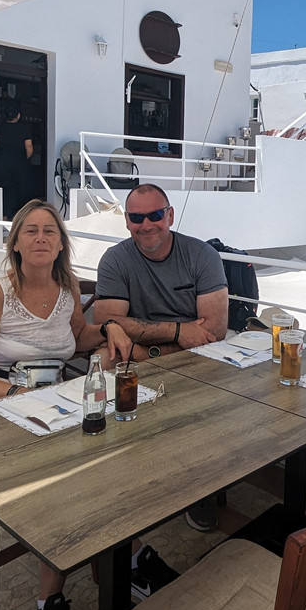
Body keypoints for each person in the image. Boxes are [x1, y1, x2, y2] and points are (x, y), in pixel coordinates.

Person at [0, 200, 173, 610]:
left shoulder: (67, 285)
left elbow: (76, 338)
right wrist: (19, 393)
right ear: (14, 242)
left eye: (49, 231)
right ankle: (49, 601)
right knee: (73, 483)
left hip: (48, 407)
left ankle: (127, 556)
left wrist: (109, 328)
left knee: (116, 458)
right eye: (30, 230)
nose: (40, 238)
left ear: (60, 243)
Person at [94, 183, 230, 535]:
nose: (147, 224)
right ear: (127, 221)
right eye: (137, 217)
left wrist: (147, 346)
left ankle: (200, 485)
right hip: (145, 356)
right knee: (103, 360)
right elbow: (109, 323)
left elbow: (214, 330)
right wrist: (177, 332)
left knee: (212, 392)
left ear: (169, 215)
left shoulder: (201, 256)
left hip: (192, 358)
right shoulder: (115, 259)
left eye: (155, 215)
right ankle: (108, 470)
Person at [0, 103, 34, 220]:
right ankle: (20, 216)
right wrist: (24, 160)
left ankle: (4, 215)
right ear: (18, 116)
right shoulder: (24, 129)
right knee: (20, 188)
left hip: (2, 162)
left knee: (4, 188)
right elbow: (29, 148)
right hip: (19, 163)